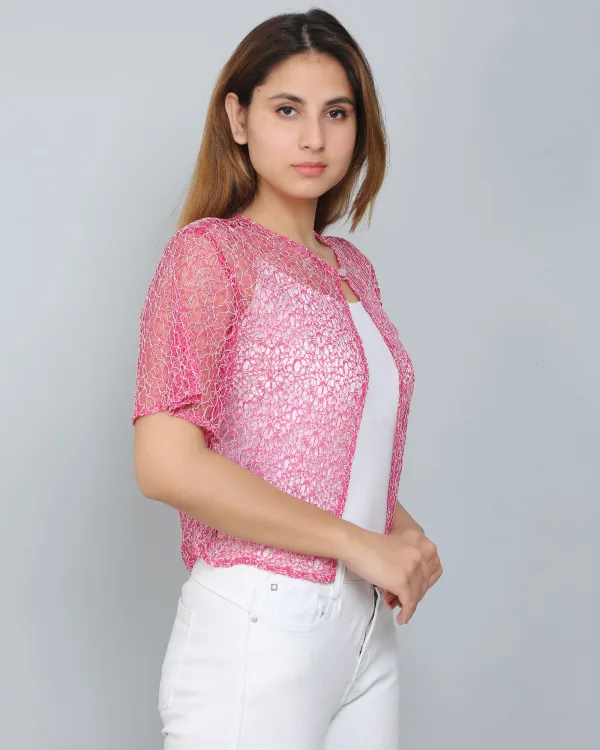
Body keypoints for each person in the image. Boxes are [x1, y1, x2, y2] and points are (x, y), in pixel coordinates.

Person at [131, 7, 443, 749]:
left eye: (337, 113)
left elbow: (315, 450)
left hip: (362, 629)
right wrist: (356, 541)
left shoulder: (352, 268)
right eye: (287, 110)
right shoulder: (210, 255)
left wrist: (397, 529)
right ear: (238, 118)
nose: (314, 139)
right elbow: (166, 464)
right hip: (260, 623)